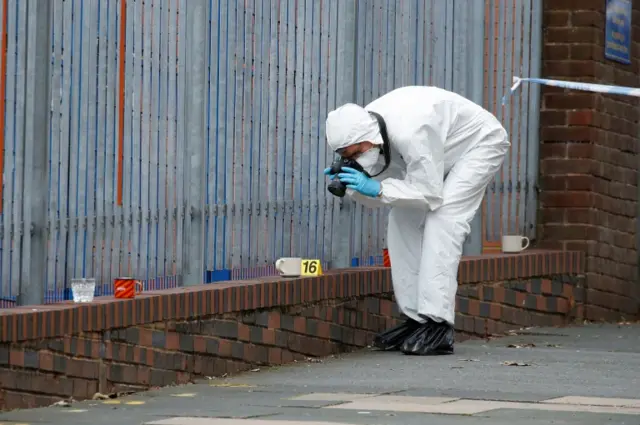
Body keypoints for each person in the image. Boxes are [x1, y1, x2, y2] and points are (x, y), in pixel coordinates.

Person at [324, 86, 510, 355]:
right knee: (401, 220)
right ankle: (416, 319)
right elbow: (391, 187)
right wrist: (354, 185)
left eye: (356, 153)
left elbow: (428, 194)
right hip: (439, 147)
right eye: (346, 156)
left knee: (443, 220)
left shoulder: (412, 132)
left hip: (479, 144)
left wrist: (376, 188)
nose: (354, 159)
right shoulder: (371, 128)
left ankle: (438, 323)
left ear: (370, 138)